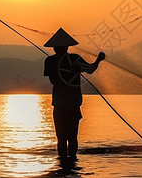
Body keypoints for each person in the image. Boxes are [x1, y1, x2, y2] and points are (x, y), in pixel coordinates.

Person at [43, 27, 105, 160]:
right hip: (67, 103)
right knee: (68, 137)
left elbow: (89, 70)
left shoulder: (53, 61)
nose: (57, 49)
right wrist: (98, 60)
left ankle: (65, 164)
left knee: (65, 137)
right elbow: (90, 69)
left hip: (65, 104)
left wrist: (98, 60)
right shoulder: (57, 61)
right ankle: (70, 163)